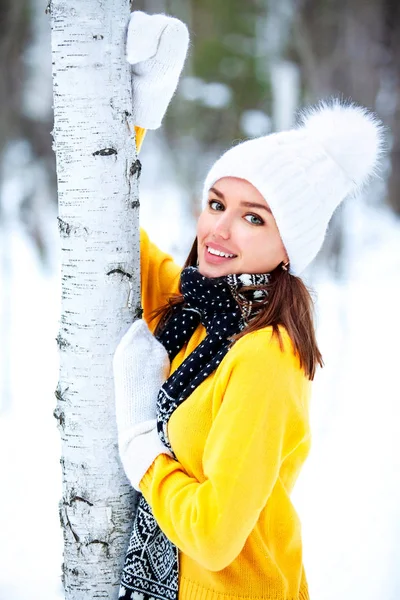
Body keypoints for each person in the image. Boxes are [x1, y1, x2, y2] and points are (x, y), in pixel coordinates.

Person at [112, 10, 385, 600]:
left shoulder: (265, 357)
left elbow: (213, 536)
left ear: (290, 248)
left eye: (253, 217)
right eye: (216, 203)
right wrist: (137, 117)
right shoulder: (201, 310)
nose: (220, 229)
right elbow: (110, 234)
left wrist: (141, 444)